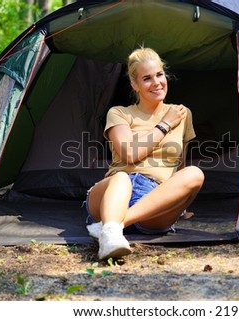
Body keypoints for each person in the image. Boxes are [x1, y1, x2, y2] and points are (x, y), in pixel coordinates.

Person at [85, 47, 205, 260]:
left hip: (154, 202)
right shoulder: (120, 113)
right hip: (114, 193)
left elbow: (180, 166)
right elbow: (130, 155)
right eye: (147, 78)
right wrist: (165, 124)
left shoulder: (183, 114)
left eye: (159, 74)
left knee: (195, 173)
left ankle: (110, 227)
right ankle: (111, 232)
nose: (157, 82)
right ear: (135, 85)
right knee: (121, 178)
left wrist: (180, 203)